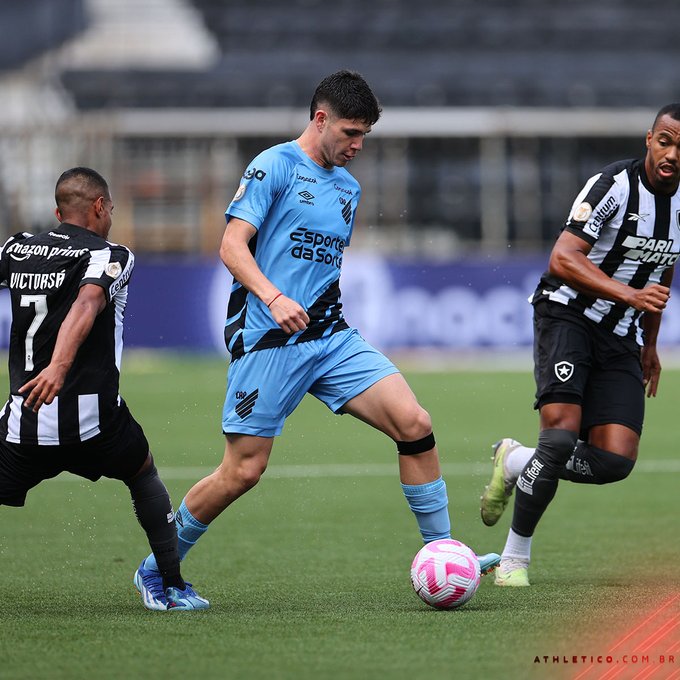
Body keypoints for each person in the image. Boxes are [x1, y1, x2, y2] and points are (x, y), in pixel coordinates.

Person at [137, 70, 500, 598]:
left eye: (364, 137)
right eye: (351, 133)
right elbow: (232, 246)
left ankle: (444, 554)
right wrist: (274, 296)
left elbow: (319, 268)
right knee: (242, 471)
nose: (357, 146)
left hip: (330, 337)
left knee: (414, 423)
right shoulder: (274, 166)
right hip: (269, 340)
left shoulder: (348, 189)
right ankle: (157, 570)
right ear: (320, 118)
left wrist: (310, 307)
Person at [480, 103, 680, 586]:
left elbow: (664, 268)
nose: (672, 153)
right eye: (665, 140)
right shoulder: (612, 186)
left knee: (614, 460)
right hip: (566, 314)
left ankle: (515, 460)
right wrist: (629, 295)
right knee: (561, 438)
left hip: (622, 335)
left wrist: (650, 344)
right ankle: (514, 560)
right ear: (648, 140)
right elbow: (563, 258)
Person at [0, 167, 208, 611]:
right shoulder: (109, 254)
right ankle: (170, 587)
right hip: (97, 425)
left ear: (58, 212)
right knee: (143, 473)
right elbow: (89, 301)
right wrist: (59, 367)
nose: (111, 216)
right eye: (110, 208)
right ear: (99, 206)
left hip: (26, 424)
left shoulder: (16, 248)